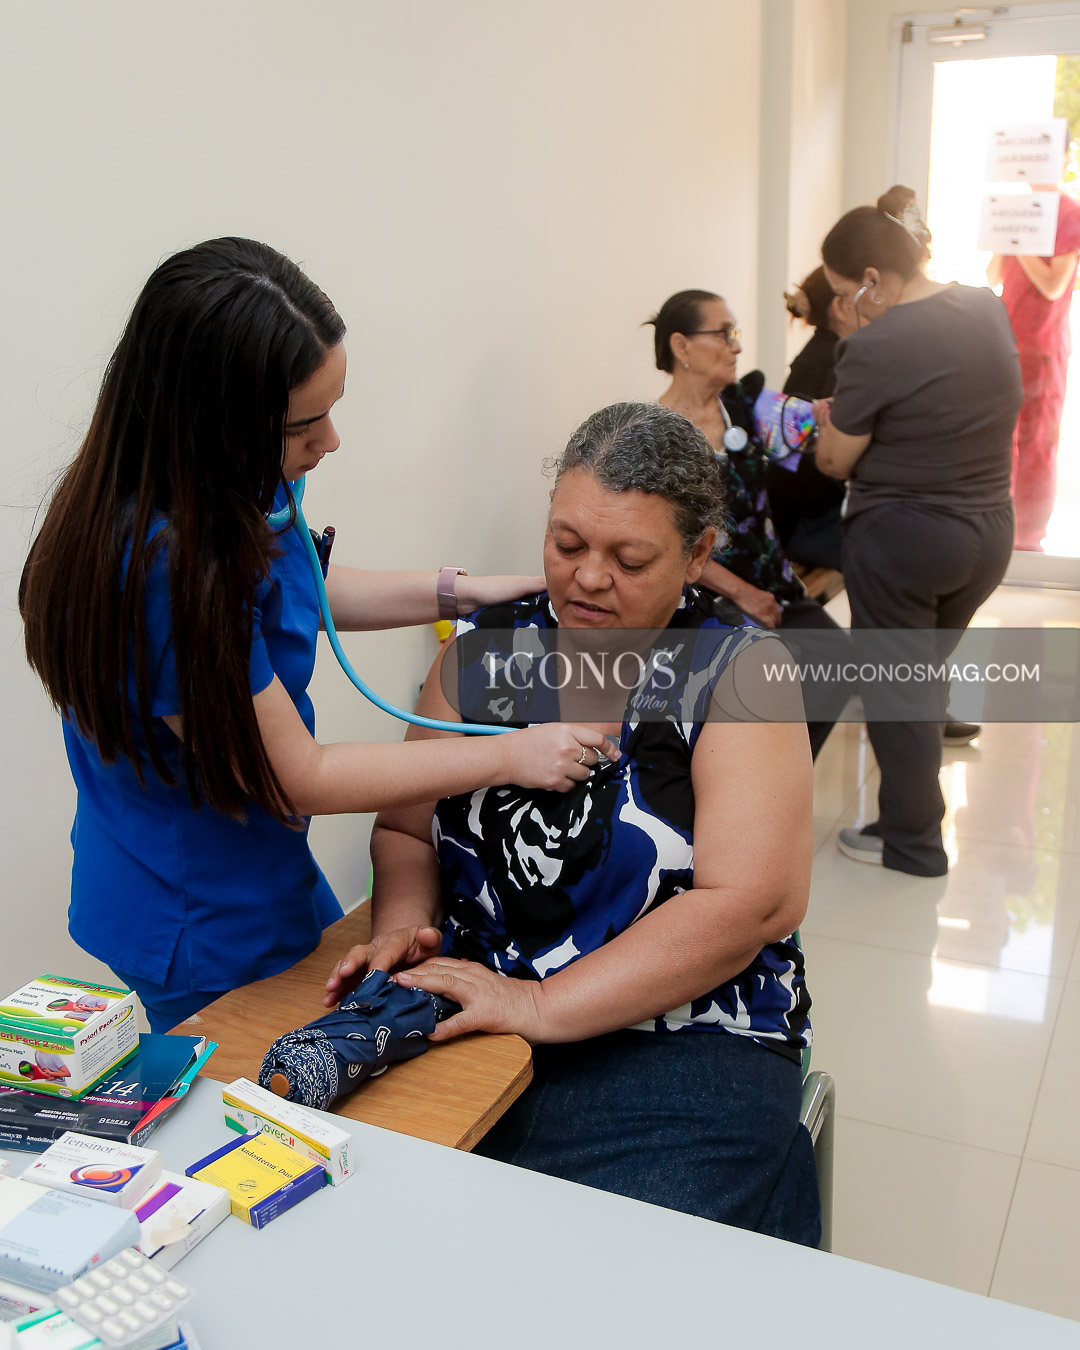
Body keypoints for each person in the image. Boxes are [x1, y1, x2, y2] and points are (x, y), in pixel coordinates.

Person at [18, 238, 619, 1034]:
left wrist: (457, 589)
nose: (330, 441)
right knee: (260, 1087)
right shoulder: (161, 569)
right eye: (305, 425)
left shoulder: (243, 482)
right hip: (196, 906)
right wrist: (514, 754)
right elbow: (302, 776)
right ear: (217, 423)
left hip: (264, 859)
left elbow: (294, 588)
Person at [325, 403, 820, 1245]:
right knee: (381, 1234)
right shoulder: (485, 655)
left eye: (630, 560)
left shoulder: (739, 674)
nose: (589, 578)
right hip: (481, 1018)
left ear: (698, 554)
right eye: (567, 545)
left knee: (602, 1270)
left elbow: (751, 905)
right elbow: (406, 831)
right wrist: (404, 929)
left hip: (679, 1044)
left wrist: (541, 1003)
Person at [814, 186, 1023, 876]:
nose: (844, 308)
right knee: (920, 675)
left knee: (897, 689)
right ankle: (913, 816)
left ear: (873, 279)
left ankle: (912, 843)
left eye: (843, 293)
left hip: (904, 540)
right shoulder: (985, 305)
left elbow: (834, 460)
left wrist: (830, 422)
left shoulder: (875, 344)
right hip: (988, 533)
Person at [648, 288, 843, 759]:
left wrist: (836, 412)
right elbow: (671, 544)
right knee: (758, 682)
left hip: (773, 584)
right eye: (724, 333)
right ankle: (738, 779)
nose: (736, 346)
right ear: (681, 345)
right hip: (706, 594)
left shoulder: (744, 404)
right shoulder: (657, 435)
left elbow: (816, 426)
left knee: (836, 665)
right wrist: (743, 594)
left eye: (735, 333)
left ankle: (781, 778)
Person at [987, 162, 1080, 551]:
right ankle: (1001, 530)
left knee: (1037, 441)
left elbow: (1054, 285)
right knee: (1001, 438)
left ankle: (1029, 539)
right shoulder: (1018, 208)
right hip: (1006, 339)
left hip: (1042, 346)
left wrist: (1020, 240)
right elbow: (993, 275)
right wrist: (1005, 234)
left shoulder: (1068, 213)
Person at [766, 267, 857, 571]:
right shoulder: (829, 361)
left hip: (816, 511)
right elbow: (807, 462)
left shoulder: (829, 354)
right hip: (805, 523)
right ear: (841, 306)